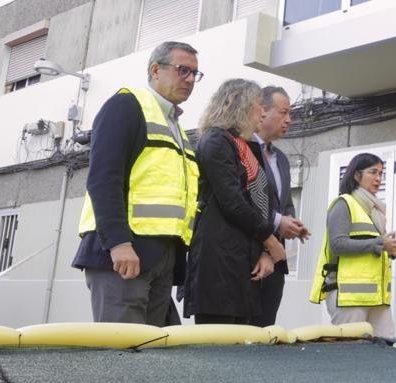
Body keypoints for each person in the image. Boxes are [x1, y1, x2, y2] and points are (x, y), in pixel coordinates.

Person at [72, 41, 201, 325]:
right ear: (155, 70)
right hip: (124, 254)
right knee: (123, 354)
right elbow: (103, 180)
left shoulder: (175, 126)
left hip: (159, 257)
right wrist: (119, 243)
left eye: (194, 73)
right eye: (183, 71)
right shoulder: (127, 106)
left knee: (149, 356)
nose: (190, 79)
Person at [183, 78, 287, 324]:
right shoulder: (216, 141)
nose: (263, 112)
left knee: (243, 344)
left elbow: (262, 202)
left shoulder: (246, 146)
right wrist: (269, 239)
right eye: (258, 105)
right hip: (220, 257)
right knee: (219, 343)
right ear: (237, 105)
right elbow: (233, 201)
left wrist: (264, 251)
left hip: (244, 257)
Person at [311, 153, 396, 337]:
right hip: (349, 297)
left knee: (387, 349)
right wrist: (379, 243)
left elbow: (372, 246)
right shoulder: (343, 204)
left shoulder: (375, 210)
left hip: (377, 298)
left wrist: (391, 249)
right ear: (356, 175)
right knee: (351, 355)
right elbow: (338, 245)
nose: (379, 178)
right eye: (373, 172)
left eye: (381, 173)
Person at [251, 84, 310, 326]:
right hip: (249, 258)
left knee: (266, 333)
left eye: (290, 114)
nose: (289, 120)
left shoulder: (282, 159)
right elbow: (244, 204)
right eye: (283, 112)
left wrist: (291, 223)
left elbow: (284, 202)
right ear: (262, 111)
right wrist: (275, 227)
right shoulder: (241, 150)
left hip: (276, 262)